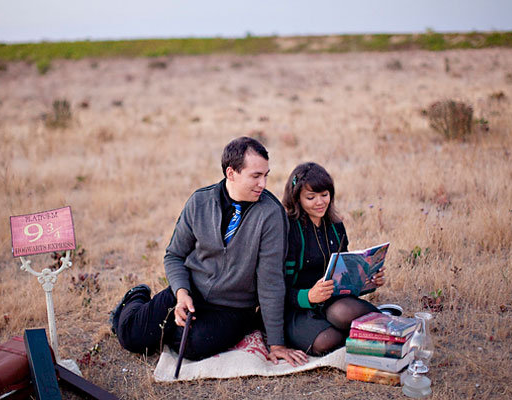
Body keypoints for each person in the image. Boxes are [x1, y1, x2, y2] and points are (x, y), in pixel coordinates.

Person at [111, 137, 308, 366]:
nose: (263, 184)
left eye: (266, 175)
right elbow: (174, 255)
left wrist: (276, 344)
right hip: (192, 291)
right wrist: (181, 293)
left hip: (233, 308)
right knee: (131, 337)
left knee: (192, 345)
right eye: (255, 176)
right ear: (231, 173)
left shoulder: (271, 215)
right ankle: (137, 295)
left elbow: (271, 281)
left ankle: (170, 327)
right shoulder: (200, 201)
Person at [281, 162, 387, 356]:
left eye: (325, 195)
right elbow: (277, 288)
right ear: (297, 199)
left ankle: (385, 329)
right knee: (324, 342)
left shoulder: (336, 227)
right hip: (297, 306)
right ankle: (363, 328)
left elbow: (344, 275)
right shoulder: (288, 230)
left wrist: (369, 280)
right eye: (311, 197)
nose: (320, 202)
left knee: (343, 313)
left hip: (332, 300)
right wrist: (308, 296)